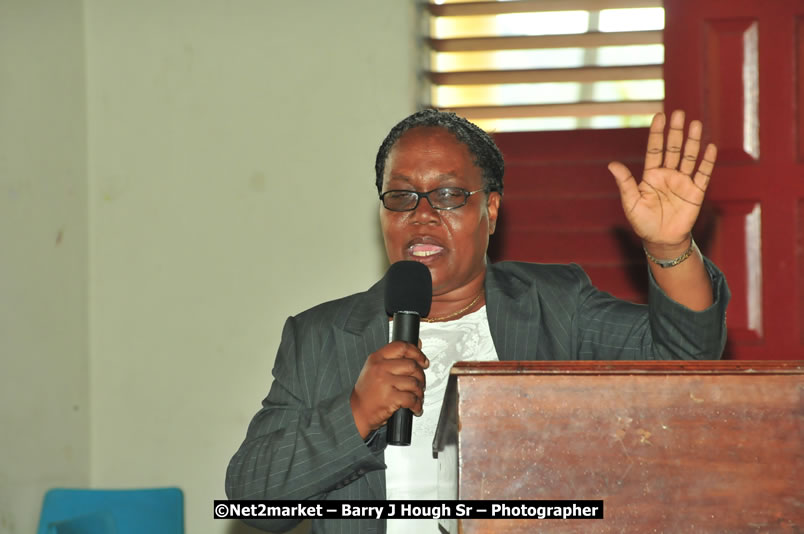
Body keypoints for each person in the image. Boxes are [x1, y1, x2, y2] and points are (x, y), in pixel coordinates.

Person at [225, 109, 730, 534]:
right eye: (401, 196)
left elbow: (686, 356)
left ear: (490, 208)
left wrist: (669, 248)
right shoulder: (322, 336)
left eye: (447, 196)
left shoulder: (555, 306)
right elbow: (252, 499)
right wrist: (355, 414)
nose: (421, 215)